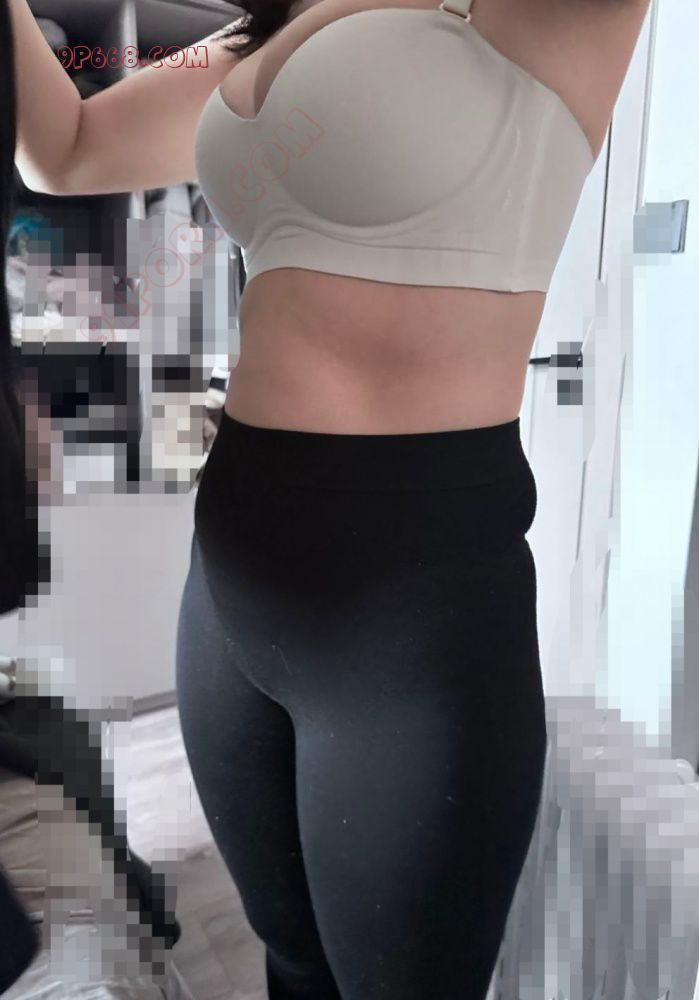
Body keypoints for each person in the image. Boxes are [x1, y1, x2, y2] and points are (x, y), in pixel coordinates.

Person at [10, 0, 653, 995]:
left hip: (410, 609)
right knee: (292, 963)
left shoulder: (522, 21)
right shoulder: (278, 25)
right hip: (230, 597)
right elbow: (67, 150)